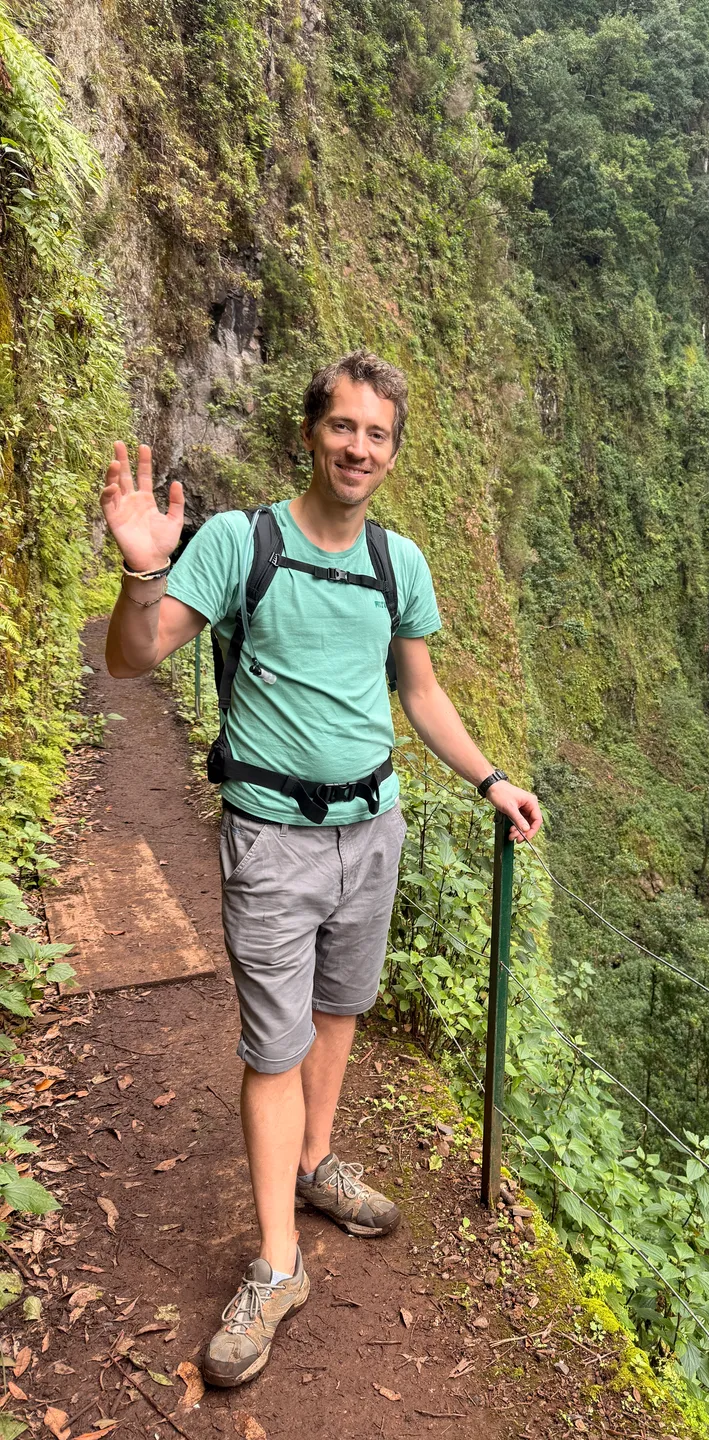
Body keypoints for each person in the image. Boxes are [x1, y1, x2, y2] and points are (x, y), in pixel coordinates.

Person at [100, 350, 542, 1387]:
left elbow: (420, 693)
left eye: (378, 434)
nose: (359, 447)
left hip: (372, 830)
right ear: (312, 432)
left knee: (341, 1011)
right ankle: (276, 1267)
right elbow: (134, 658)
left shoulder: (401, 565)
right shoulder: (237, 543)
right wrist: (139, 570)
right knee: (272, 1047)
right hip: (270, 838)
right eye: (344, 427)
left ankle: (313, 1163)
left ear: (393, 449)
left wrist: (490, 780)